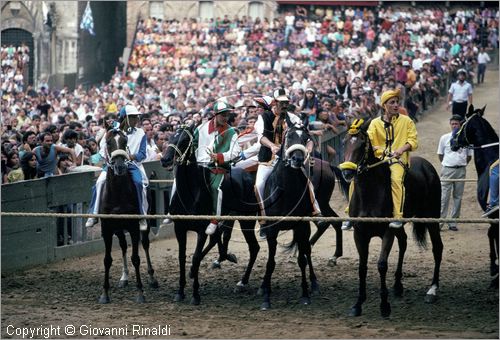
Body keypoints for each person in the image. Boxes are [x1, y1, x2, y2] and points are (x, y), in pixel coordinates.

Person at [342, 88, 418, 230]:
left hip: (398, 160)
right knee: (356, 177)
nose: (396, 105)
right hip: (379, 159)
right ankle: (350, 215)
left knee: (396, 180)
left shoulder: (407, 121)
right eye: (392, 102)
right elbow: (370, 141)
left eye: (397, 102)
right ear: (384, 105)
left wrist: (400, 150)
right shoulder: (375, 123)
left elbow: (413, 141)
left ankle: (397, 216)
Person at [254, 88, 325, 239]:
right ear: (274, 102)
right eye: (281, 102)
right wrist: (272, 145)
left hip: (287, 159)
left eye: (286, 102)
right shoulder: (263, 117)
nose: (284, 105)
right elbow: (260, 137)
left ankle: (316, 212)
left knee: (306, 181)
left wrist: (308, 149)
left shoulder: (292, 117)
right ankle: (264, 221)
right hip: (267, 159)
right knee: (259, 185)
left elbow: (306, 135)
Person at [85, 104, 149, 231]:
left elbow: (142, 154)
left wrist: (130, 157)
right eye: (132, 117)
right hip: (112, 164)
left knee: (138, 183)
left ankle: (142, 216)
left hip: (132, 165)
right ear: (124, 118)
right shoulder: (112, 131)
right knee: (100, 182)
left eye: (136, 116)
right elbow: (103, 149)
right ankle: (93, 214)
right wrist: (107, 159)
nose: (136, 119)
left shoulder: (141, 133)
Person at [193, 100, 241, 235]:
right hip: (199, 166)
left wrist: (219, 156)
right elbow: (193, 145)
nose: (225, 118)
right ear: (215, 115)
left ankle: (215, 219)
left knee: (216, 188)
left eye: (227, 115)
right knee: (180, 180)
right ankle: (172, 211)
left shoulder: (231, 132)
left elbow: (235, 152)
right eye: (222, 115)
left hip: (218, 168)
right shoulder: (201, 128)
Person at [437, 115, 473, 231]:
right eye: (452, 124)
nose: (454, 126)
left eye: (456, 124)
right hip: (447, 169)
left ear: (460, 125)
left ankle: (453, 221)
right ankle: (441, 221)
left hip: (461, 170)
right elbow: (440, 154)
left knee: (458, 196)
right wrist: (447, 163)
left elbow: (468, 156)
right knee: (444, 197)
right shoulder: (444, 138)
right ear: (450, 125)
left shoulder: (466, 139)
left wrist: (461, 164)